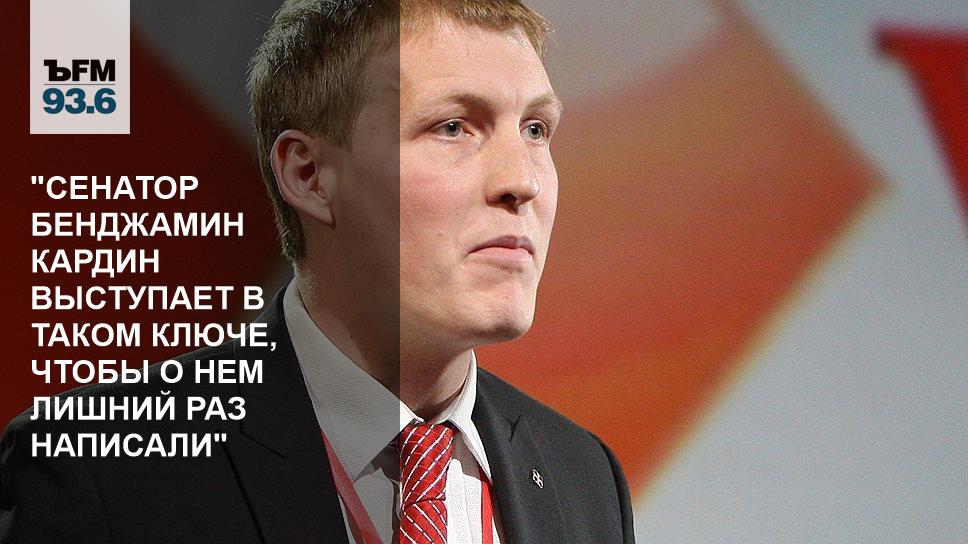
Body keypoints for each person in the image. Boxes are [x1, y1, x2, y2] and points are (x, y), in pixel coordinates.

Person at [0, 1, 635, 542]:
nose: (522, 180)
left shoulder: (584, 477)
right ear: (307, 174)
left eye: (535, 129)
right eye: (452, 127)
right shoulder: (98, 471)